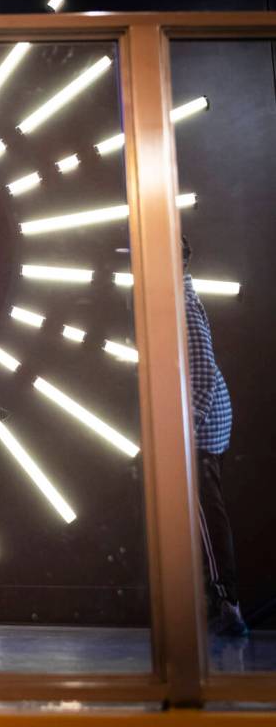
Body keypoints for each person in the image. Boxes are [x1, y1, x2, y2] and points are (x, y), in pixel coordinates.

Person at [183, 236, 247, 637]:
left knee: (207, 518)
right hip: (207, 424)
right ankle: (220, 604)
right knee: (204, 518)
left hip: (203, 431)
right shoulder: (179, 301)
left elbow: (203, 374)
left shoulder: (183, 306)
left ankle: (228, 605)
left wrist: (182, 429)